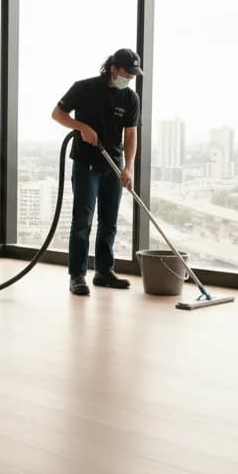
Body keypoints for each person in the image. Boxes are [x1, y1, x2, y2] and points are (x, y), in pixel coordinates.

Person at [51, 48, 142, 296]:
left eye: (134, 74)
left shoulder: (130, 98)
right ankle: (77, 276)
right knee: (83, 220)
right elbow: (57, 114)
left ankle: (104, 272)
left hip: (113, 164)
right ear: (113, 68)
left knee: (109, 221)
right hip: (86, 163)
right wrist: (81, 127)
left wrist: (129, 167)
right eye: (128, 72)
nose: (131, 78)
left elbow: (131, 134)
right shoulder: (84, 88)